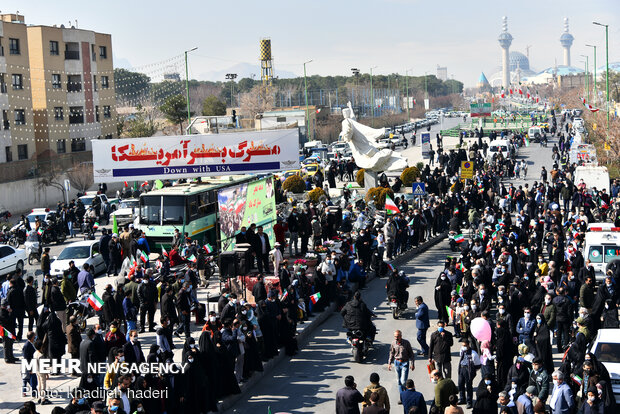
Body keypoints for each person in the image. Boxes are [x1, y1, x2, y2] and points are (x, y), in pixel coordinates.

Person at [388, 330, 416, 394]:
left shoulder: (406, 343)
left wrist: (412, 364)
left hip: (405, 363)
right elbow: (391, 353)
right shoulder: (393, 343)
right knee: (399, 381)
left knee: (403, 381)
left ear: (401, 336)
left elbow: (411, 354)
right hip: (397, 363)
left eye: (397, 336)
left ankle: (408, 393)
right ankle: (402, 396)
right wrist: (389, 363)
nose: (396, 338)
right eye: (395, 336)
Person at [457, 339, 480, 409]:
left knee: (469, 386)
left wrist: (472, 372)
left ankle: (469, 401)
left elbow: (478, 365)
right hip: (462, 369)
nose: (463, 347)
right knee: (460, 384)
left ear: (468, 345)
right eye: (462, 345)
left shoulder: (473, 354)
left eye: (464, 345)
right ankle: (462, 398)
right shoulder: (462, 351)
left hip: (468, 371)